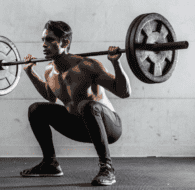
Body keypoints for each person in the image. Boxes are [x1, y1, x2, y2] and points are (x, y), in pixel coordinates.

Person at [20, 20, 131, 186]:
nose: (44, 45)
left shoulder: (87, 66)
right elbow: (50, 96)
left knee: (86, 105)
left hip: (109, 127)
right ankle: (50, 164)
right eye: (43, 40)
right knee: (36, 109)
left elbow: (124, 92)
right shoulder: (49, 70)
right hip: (81, 127)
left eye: (50, 40)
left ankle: (107, 168)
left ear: (65, 42)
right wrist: (30, 73)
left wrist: (116, 62)